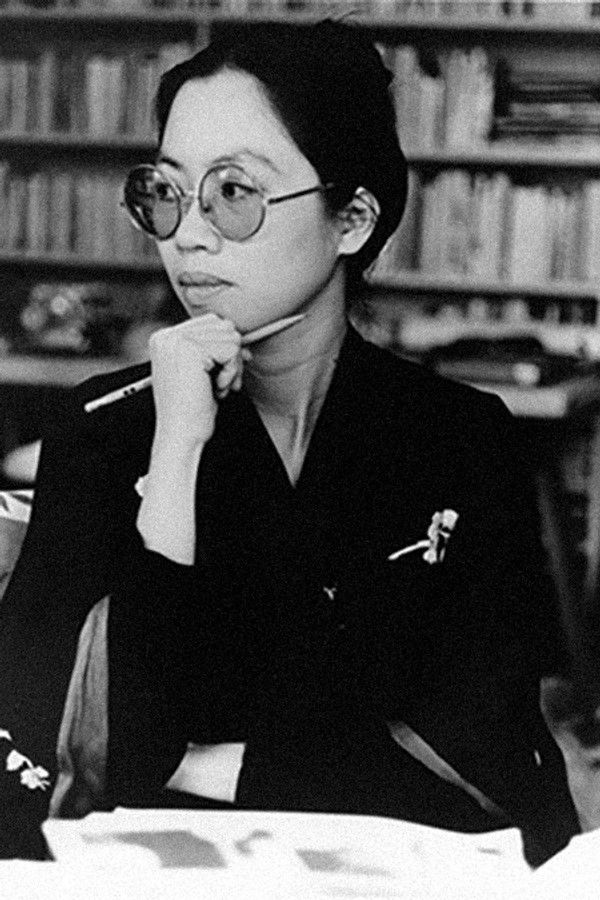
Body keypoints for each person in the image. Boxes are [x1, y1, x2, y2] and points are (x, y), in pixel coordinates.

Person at [0, 20, 580, 864]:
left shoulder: (460, 436)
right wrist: (176, 455)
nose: (186, 234)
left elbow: (492, 777)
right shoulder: (104, 429)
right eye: (166, 191)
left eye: (234, 192)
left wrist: (203, 763)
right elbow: (62, 758)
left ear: (351, 219)